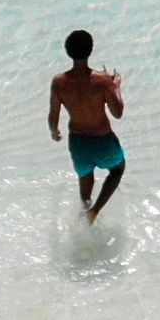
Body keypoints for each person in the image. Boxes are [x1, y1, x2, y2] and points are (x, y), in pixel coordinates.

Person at [47, 30, 126, 221]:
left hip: (78, 143)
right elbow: (118, 113)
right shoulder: (102, 81)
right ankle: (95, 210)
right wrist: (116, 88)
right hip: (103, 139)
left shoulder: (59, 82)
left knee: (85, 176)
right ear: (90, 50)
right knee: (117, 170)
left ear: (68, 52)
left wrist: (54, 131)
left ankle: (84, 212)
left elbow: (53, 114)